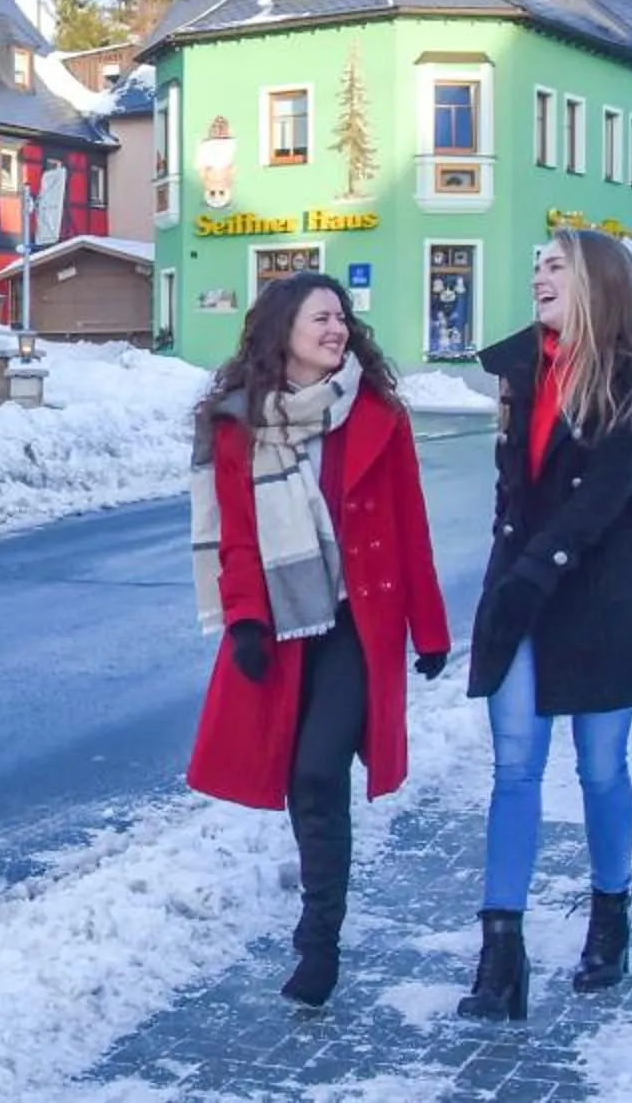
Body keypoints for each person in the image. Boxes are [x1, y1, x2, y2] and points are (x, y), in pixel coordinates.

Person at [187, 271, 452, 1008]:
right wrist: (243, 621)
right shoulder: (239, 424)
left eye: (342, 318)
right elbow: (234, 535)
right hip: (283, 622)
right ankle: (320, 930)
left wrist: (428, 629)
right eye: (321, 319)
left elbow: (410, 527)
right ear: (284, 332)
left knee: (315, 772)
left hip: (356, 626)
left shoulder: (378, 416)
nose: (337, 330)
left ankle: (318, 938)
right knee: (298, 777)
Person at [457, 229, 632, 1021]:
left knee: (599, 769)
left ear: (598, 281)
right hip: (519, 595)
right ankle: (501, 956)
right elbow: (510, 492)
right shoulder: (523, 367)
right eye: (535, 264)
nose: (538, 277)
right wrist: (505, 585)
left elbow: (598, 502)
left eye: (555, 264)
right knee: (515, 766)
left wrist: (531, 578)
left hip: (599, 598)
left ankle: (610, 920)